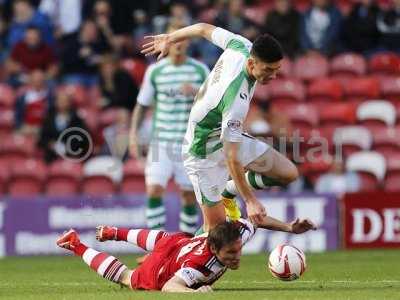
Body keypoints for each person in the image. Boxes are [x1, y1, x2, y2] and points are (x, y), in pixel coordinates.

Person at [141, 23, 299, 232]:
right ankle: (166, 259)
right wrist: (250, 201)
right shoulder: (235, 100)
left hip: (223, 136)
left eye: (276, 70)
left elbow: (203, 28)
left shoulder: (240, 45)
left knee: (288, 173)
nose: (273, 75)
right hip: (202, 152)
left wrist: (171, 37)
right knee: (215, 231)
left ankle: (228, 190)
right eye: (268, 70)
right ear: (252, 64)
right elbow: (231, 157)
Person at [56, 217, 316, 292]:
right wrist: (194, 292)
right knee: (129, 278)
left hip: (180, 243)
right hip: (170, 266)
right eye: (230, 254)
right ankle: (75, 244)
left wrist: (289, 228)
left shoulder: (235, 234)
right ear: (215, 250)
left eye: (238, 250)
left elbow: (256, 221)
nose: (237, 257)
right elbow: (171, 285)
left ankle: (115, 231)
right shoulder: (199, 266)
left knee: (164, 239)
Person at [130, 23, 210, 234]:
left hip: (189, 143)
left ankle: (183, 244)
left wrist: (196, 92)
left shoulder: (200, 70)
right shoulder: (155, 71)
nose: (178, 44)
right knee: (154, 190)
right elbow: (142, 105)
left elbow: (214, 101)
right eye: (174, 39)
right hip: (161, 142)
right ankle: (156, 245)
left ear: (188, 42)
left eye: (182, 39)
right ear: (167, 42)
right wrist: (133, 136)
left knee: (188, 195)